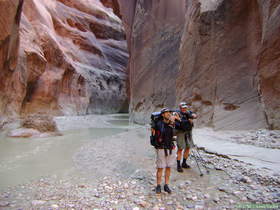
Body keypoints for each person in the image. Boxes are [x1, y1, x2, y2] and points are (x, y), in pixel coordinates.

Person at [151, 108, 179, 194]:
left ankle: (166, 185)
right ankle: (158, 185)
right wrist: (171, 121)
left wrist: (176, 120)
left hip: (170, 148)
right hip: (161, 148)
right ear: (162, 114)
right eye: (166, 113)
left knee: (168, 167)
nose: (168, 114)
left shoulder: (173, 123)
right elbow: (162, 129)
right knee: (160, 167)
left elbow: (177, 131)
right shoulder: (159, 123)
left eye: (169, 112)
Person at [175, 102, 197, 172]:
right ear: (180, 107)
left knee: (188, 147)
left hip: (188, 131)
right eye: (182, 107)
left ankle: (184, 163)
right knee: (180, 148)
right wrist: (187, 120)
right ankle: (178, 166)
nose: (184, 109)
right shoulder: (176, 113)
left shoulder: (189, 112)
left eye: (185, 107)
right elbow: (177, 123)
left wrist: (193, 116)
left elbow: (194, 116)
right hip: (180, 132)